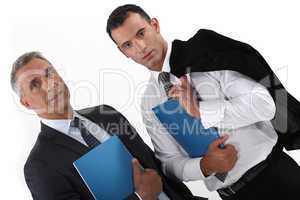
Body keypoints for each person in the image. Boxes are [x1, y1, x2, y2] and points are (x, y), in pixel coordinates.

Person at [106, 4, 300, 200]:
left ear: (154, 25)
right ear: (124, 53)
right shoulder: (149, 102)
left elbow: (265, 105)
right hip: (232, 195)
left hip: (278, 178)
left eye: (141, 33)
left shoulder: (204, 54)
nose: (140, 47)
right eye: (128, 45)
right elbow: (169, 162)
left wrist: (200, 111)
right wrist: (205, 166)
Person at [11, 51, 207, 200]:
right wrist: (142, 197)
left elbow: (155, 165)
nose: (49, 84)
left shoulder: (107, 114)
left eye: (49, 73)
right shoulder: (39, 165)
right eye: (35, 84)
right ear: (26, 103)